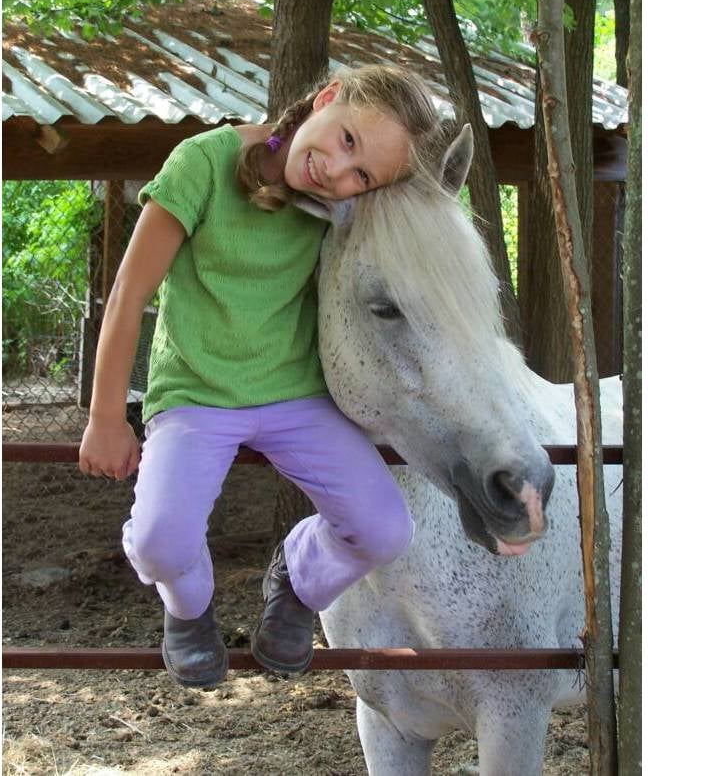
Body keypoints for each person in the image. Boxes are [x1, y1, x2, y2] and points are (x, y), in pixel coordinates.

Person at [78, 64, 439, 688]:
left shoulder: (340, 208)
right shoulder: (202, 162)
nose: (338, 171)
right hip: (196, 393)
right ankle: (188, 614)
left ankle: (297, 578)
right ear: (326, 100)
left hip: (295, 394)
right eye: (346, 140)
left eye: (362, 175)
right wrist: (106, 416)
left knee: (384, 529)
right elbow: (128, 295)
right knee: (163, 543)